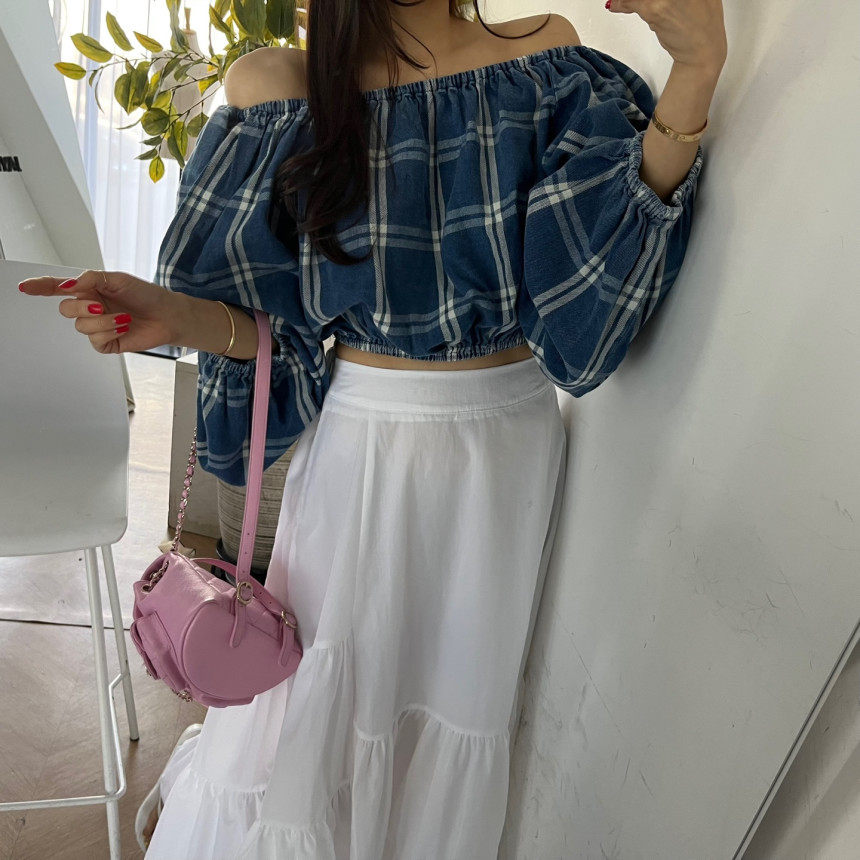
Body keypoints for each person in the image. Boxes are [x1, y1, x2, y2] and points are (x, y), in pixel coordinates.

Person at [18, 0, 725, 855]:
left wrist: (696, 74)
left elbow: (584, 318)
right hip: (362, 453)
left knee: (455, 701)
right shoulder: (282, 89)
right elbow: (274, 333)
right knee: (314, 694)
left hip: (506, 453)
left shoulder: (547, 61)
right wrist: (175, 316)